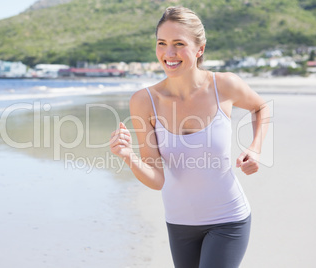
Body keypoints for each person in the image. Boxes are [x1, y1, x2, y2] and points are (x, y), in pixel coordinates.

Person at [110, 6, 269, 268]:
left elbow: (261, 107)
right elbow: (158, 179)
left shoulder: (224, 86)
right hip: (179, 224)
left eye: (178, 44)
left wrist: (255, 148)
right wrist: (129, 157)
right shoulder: (144, 101)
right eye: (162, 43)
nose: (168, 54)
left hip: (228, 219)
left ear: (200, 49)